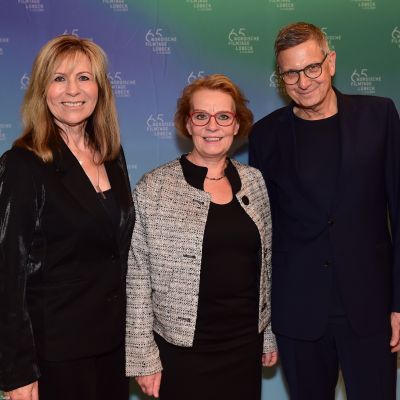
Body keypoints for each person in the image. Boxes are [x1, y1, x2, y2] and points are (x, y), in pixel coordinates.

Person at [249, 21, 400, 400]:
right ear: (280, 77)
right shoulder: (265, 136)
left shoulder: (379, 116)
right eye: (291, 73)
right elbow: (262, 233)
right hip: (297, 314)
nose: (303, 81)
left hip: (370, 310)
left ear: (330, 62)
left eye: (311, 67)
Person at [125, 74, 277, 400]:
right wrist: (144, 358)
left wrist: (267, 335)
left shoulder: (254, 182)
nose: (212, 126)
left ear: (236, 125)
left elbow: (265, 267)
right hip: (182, 353)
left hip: (243, 346)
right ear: (187, 124)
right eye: (201, 116)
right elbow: (137, 276)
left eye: (224, 116)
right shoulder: (155, 187)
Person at [0, 35, 135, 400]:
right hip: (53, 356)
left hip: (112, 348)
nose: (71, 90)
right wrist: (16, 372)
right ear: (42, 90)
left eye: (84, 78)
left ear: (101, 89)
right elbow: (7, 274)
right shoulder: (23, 165)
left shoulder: (112, 155)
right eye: (59, 78)